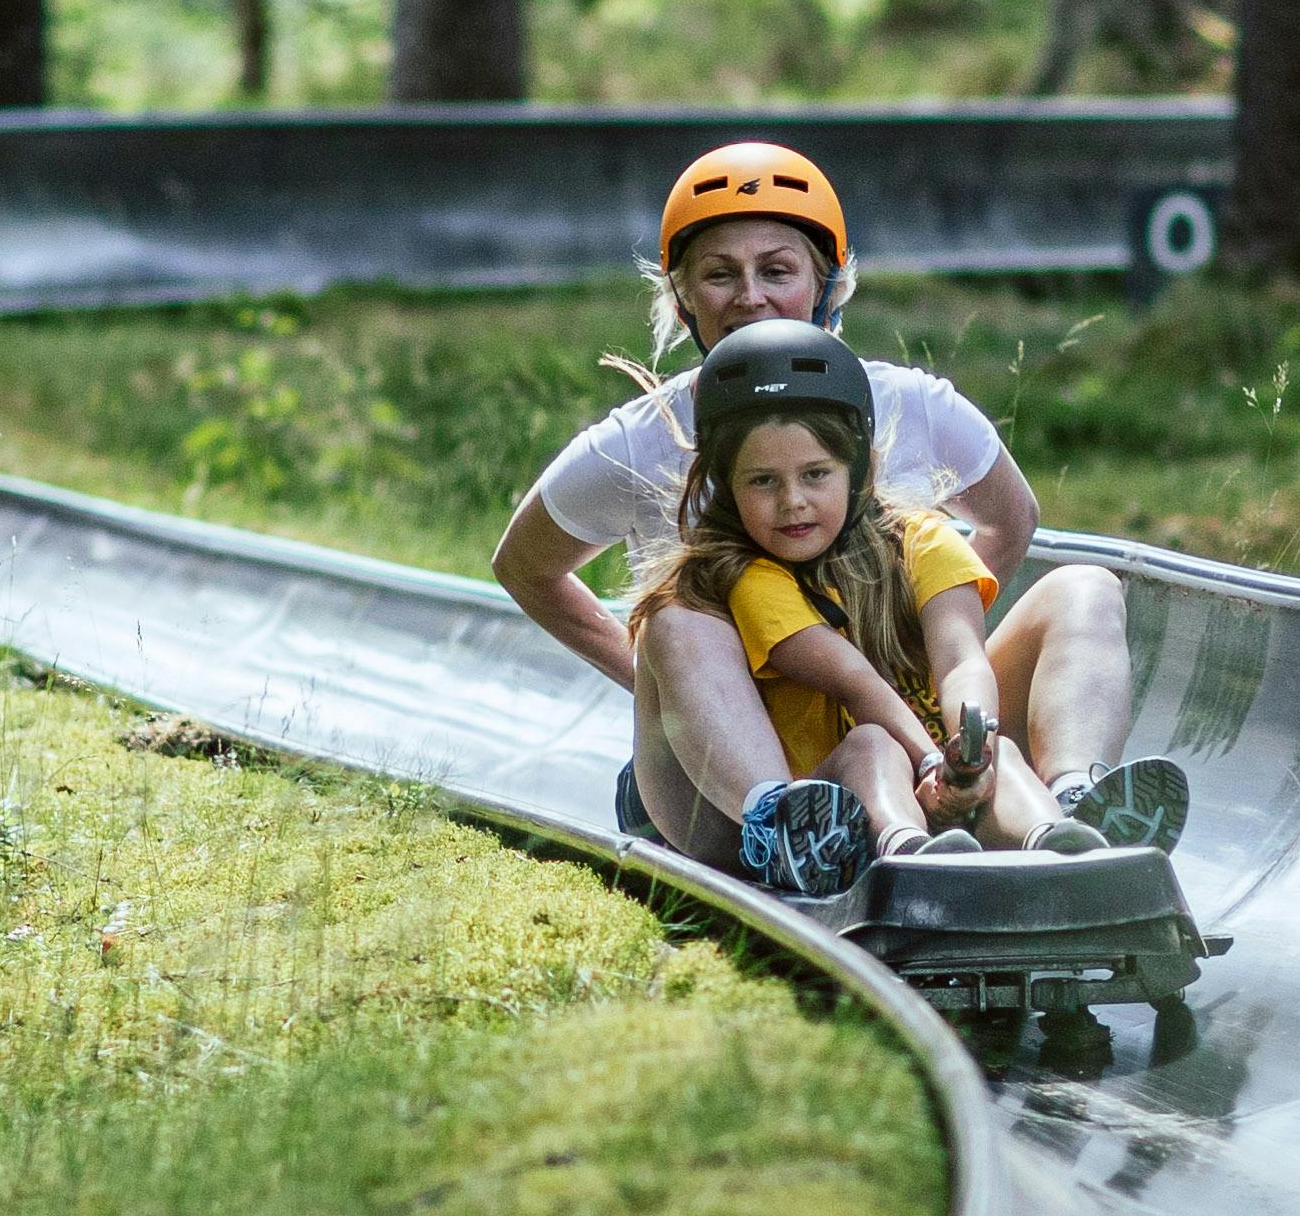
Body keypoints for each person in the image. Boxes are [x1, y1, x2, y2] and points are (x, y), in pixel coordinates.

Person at [490, 138, 1183, 889]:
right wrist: (668, 683)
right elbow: (523, 566)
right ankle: (781, 817)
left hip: (909, 730)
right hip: (732, 764)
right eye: (720, 274)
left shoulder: (911, 408)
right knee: (679, 617)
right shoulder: (639, 439)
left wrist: (933, 670)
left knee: (1084, 586)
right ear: (683, 296)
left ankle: (1076, 799)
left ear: (825, 283)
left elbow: (1009, 523)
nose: (749, 296)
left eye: (776, 271)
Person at [643, 323, 1084, 875]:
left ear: (859, 470)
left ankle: (1067, 828)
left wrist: (972, 753)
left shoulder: (917, 537)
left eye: (815, 474)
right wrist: (928, 758)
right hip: (826, 797)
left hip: (933, 773)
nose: (792, 502)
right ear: (725, 486)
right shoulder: (744, 574)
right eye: (762, 482)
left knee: (1079, 600)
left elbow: (961, 656)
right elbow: (854, 679)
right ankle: (887, 853)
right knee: (872, 746)